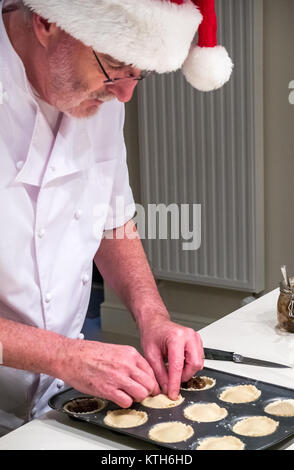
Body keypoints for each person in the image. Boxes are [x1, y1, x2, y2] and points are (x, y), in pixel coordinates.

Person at [0, 0, 232, 436]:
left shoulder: (100, 94)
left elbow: (111, 219)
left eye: (138, 72)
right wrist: (62, 355)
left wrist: (154, 315)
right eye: (114, 64)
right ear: (48, 20)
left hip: (57, 401)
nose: (126, 93)